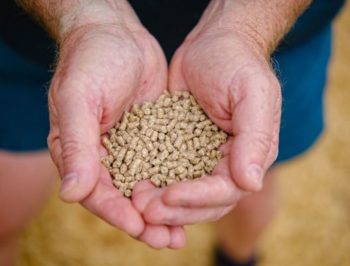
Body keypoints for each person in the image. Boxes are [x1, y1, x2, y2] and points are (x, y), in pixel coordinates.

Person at [0, 0, 345, 265]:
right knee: (6, 208)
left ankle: (236, 257)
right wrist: (85, 20)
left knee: (249, 181)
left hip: (269, 33)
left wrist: (246, 29)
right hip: (39, 30)